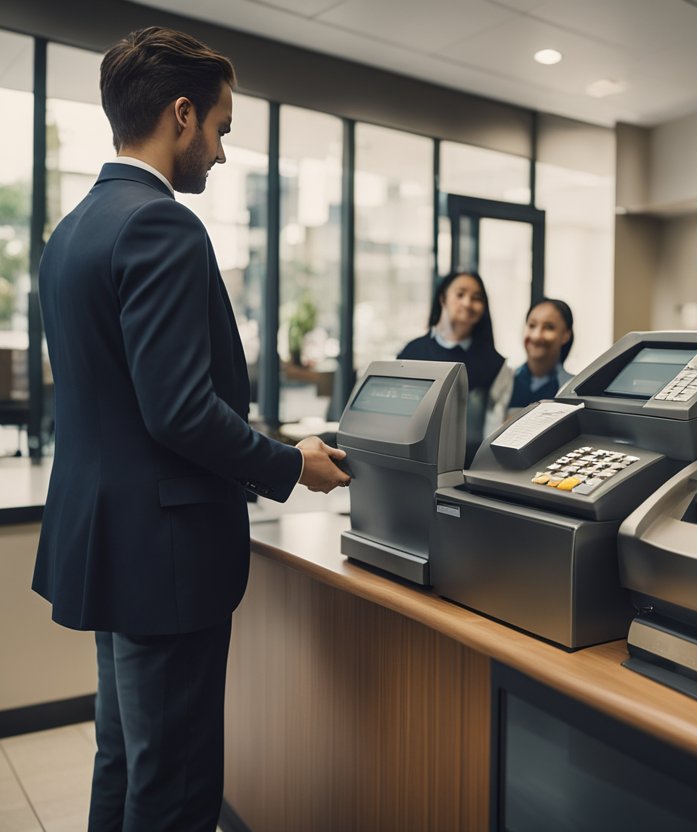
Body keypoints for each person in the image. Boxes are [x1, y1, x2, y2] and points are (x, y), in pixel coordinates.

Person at [32, 27, 350, 832]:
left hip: (107, 541)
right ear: (182, 115)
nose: (219, 152)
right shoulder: (160, 224)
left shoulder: (72, 232)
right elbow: (175, 409)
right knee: (172, 788)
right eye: (220, 129)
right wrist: (287, 463)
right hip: (164, 557)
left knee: (126, 757)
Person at [398, 271, 506, 458]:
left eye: (477, 298)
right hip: (413, 459)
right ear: (443, 299)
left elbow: (494, 427)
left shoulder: (494, 363)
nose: (468, 303)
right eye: (460, 294)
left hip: (470, 466)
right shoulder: (412, 352)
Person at [487, 298, 575, 432]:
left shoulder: (572, 389)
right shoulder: (503, 380)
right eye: (532, 325)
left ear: (565, 335)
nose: (536, 336)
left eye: (549, 327)